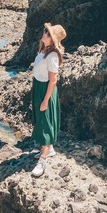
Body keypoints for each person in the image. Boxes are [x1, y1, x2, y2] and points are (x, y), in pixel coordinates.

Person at [30, 23, 66, 177]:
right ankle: (49, 149)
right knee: (41, 119)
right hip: (38, 87)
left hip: (46, 90)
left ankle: (43, 160)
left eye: (48, 33)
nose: (45, 34)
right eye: (46, 31)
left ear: (53, 40)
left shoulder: (52, 56)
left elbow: (53, 81)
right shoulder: (43, 51)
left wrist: (45, 100)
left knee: (46, 122)